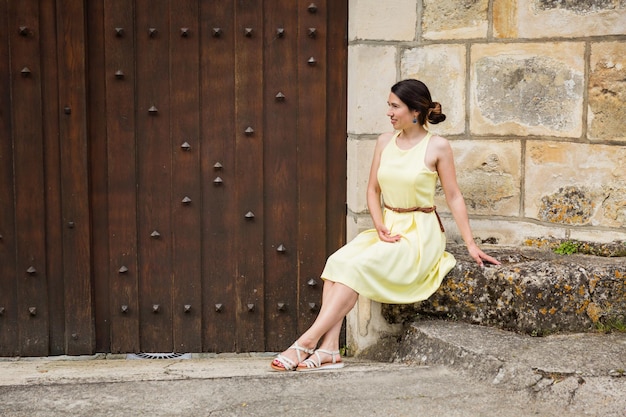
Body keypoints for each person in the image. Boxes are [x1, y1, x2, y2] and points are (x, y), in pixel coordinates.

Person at [271, 79, 500, 372]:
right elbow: (372, 190)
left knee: (353, 268)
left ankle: (305, 342)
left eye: (395, 106)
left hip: (419, 234)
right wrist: (379, 225)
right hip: (389, 225)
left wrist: (470, 243)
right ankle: (329, 350)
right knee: (338, 262)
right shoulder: (384, 141)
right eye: (388, 105)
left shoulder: (437, 146)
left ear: (415, 110)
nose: (389, 112)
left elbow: (454, 196)